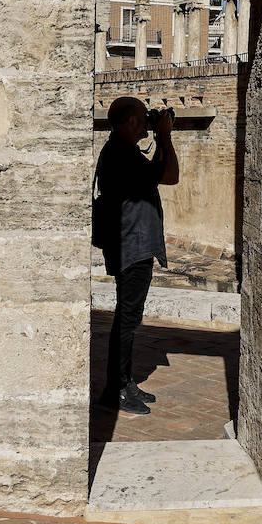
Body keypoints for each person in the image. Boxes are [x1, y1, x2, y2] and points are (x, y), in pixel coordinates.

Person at [94, 96, 179, 414]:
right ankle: (114, 390)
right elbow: (169, 175)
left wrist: (160, 135)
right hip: (130, 246)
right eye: (144, 118)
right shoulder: (120, 153)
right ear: (130, 122)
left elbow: (163, 174)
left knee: (129, 318)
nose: (148, 122)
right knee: (127, 319)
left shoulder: (124, 151)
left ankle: (124, 382)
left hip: (132, 245)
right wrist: (165, 136)